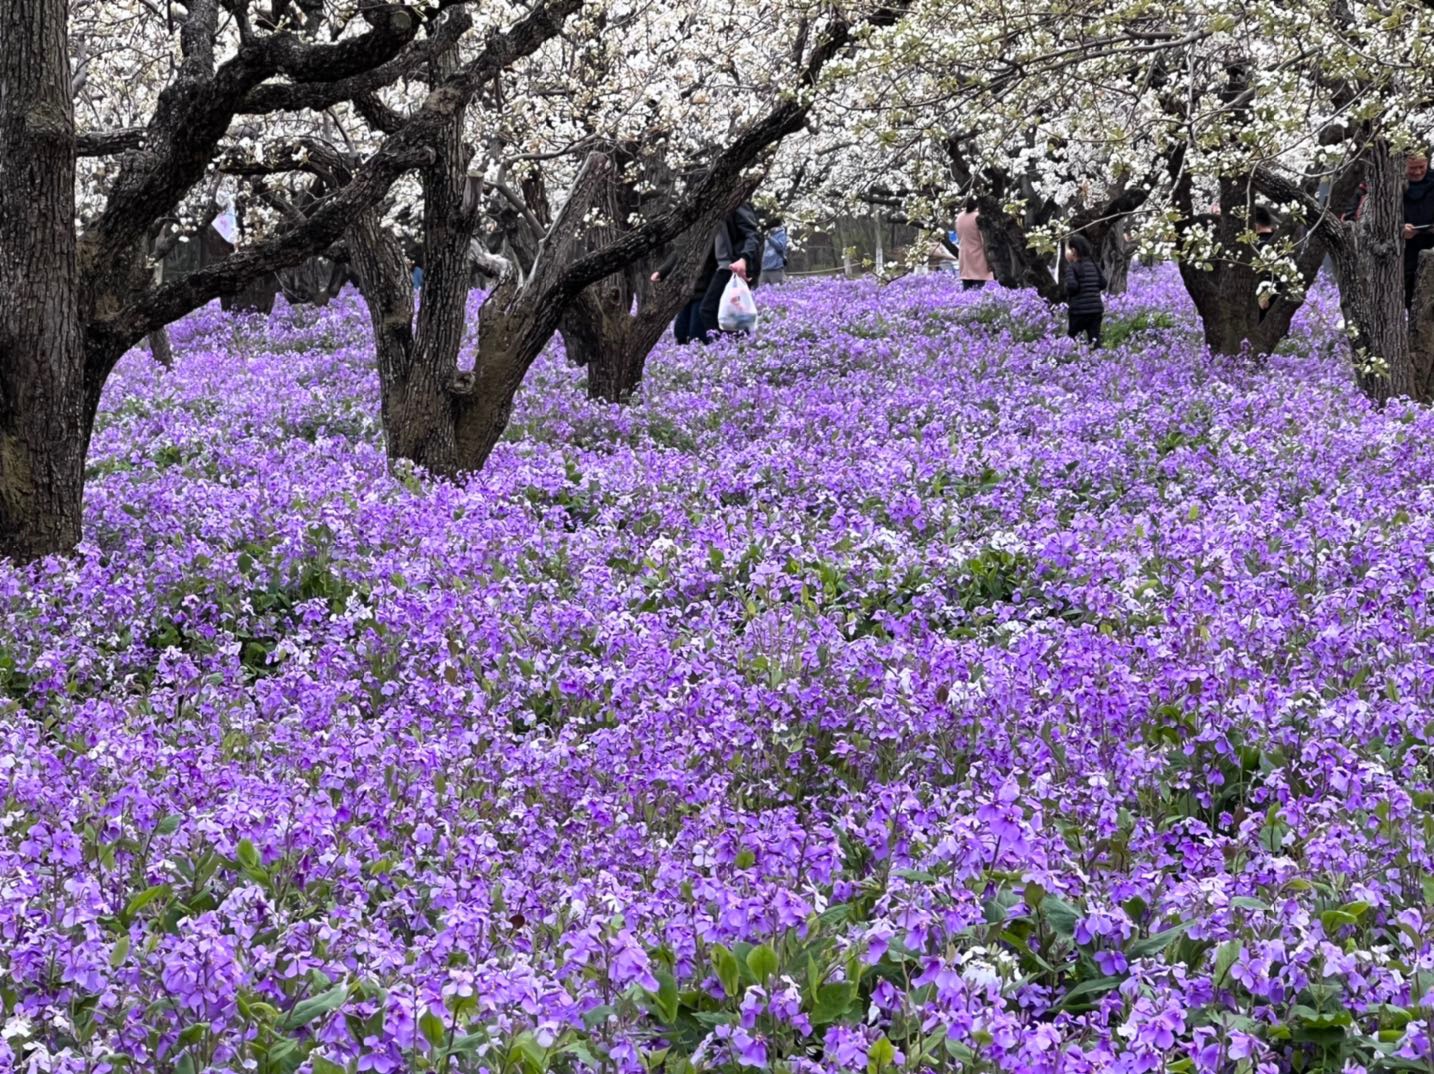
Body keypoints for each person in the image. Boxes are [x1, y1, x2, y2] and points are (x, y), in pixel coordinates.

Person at [653, 202, 763, 344]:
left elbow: (752, 235)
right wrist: (663, 271)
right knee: (702, 319)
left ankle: (728, 346)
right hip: (716, 270)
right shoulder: (707, 211)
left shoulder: (735, 204)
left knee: (709, 311)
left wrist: (744, 259)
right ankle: (732, 344)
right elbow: (685, 249)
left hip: (732, 266)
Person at [1063, 234, 1105, 346]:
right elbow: (1103, 283)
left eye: (1066, 249)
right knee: (1095, 339)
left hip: (1079, 311)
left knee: (1072, 340)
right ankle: (1098, 361)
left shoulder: (1072, 267)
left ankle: (1073, 361)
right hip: (1096, 310)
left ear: (1073, 250)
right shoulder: (1094, 265)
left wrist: (1067, 293)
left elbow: (1072, 286)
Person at [1404, 153, 1434, 306]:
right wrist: (1398, 229)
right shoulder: (1393, 185)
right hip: (1406, 252)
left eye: (1421, 167)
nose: (1417, 172)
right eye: (1412, 168)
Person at [954, 199, 994, 291]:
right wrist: (990, 260)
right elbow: (985, 240)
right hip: (979, 257)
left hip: (964, 256)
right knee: (978, 288)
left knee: (966, 288)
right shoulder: (979, 217)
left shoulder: (959, 217)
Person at [761, 220, 790, 285]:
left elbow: (780, 247)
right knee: (761, 291)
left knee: (778, 291)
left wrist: (769, 238)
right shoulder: (768, 235)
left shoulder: (781, 234)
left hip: (776, 268)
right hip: (765, 268)